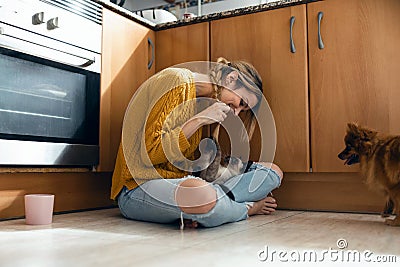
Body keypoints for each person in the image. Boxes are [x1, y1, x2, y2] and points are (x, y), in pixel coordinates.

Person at [111, 58, 283, 228]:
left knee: (273, 173)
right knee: (202, 193)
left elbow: (183, 169)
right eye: (241, 103)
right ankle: (244, 209)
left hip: (178, 188)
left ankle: (207, 208)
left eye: (242, 110)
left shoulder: (200, 103)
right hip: (136, 188)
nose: (235, 113)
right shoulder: (175, 80)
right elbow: (149, 154)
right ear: (231, 78)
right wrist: (199, 120)